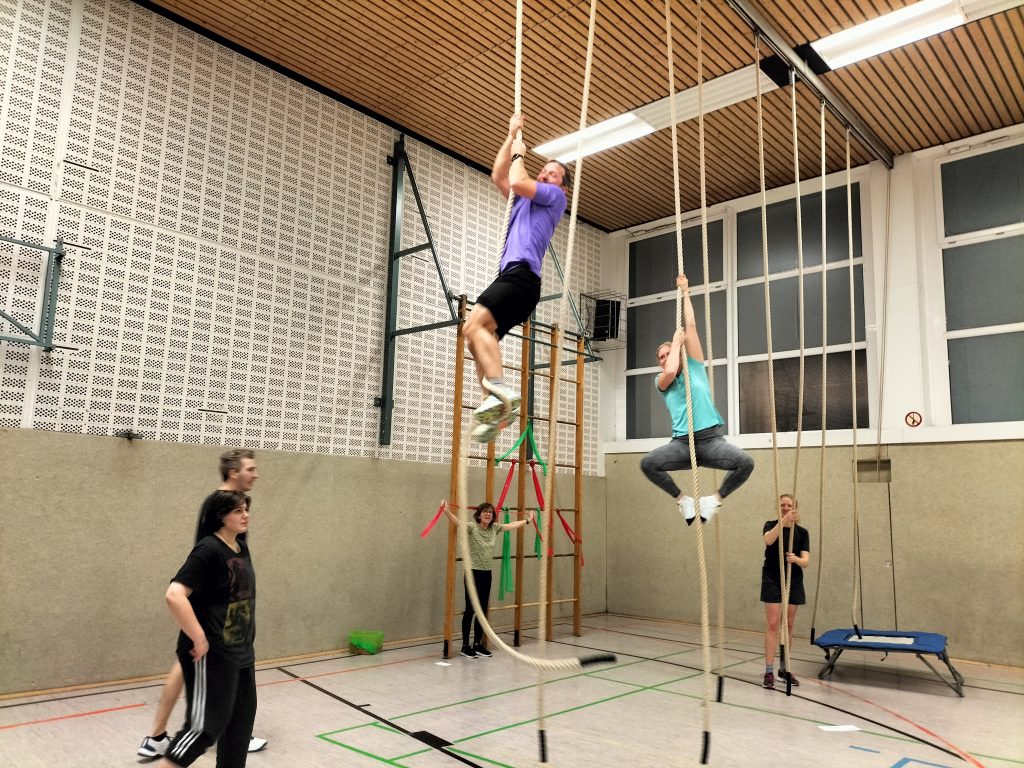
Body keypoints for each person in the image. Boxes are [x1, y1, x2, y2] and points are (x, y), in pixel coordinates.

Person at [138, 450, 267, 759]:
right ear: (234, 473)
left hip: (229, 640)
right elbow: (183, 586)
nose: (255, 474)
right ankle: (161, 735)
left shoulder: (237, 534)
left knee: (195, 679)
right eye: (250, 469)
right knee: (199, 712)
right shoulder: (215, 523)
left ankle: (159, 735)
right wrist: (198, 632)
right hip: (209, 625)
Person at [464, 113, 571, 442]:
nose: (545, 175)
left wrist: (521, 156)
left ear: (560, 185)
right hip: (514, 278)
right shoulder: (522, 202)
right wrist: (511, 137)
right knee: (479, 339)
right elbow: (500, 175)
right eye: (544, 170)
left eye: (551, 174)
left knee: (472, 326)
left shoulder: (555, 198)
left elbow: (521, 179)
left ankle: (499, 394)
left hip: (522, 276)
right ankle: (492, 403)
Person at [153, 490, 258, 768]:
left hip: (241, 655)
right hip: (212, 655)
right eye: (238, 510)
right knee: (201, 731)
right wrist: (198, 637)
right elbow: (174, 595)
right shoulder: (208, 550)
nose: (245, 514)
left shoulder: (239, 547)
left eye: (245, 508)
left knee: (238, 731)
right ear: (221, 517)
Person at [639, 274, 754, 524]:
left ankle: (713, 501)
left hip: (711, 441)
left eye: (668, 353)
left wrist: (686, 292)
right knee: (648, 463)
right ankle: (684, 501)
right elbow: (669, 371)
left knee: (746, 463)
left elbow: (690, 327)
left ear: (680, 353)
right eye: (660, 356)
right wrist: (675, 342)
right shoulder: (661, 382)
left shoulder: (695, 366)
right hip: (681, 445)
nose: (664, 358)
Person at [446, 502, 534, 658]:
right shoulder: (472, 528)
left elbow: (511, 525)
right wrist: (446, 511)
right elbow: (458, 523)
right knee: (471, 610)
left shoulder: (494, 528)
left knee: (483, 610)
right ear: (479, 514)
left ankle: (478, 644)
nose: (488, 514)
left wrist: (527, 520)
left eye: (491, 513)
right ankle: (465, 646)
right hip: (473, 573)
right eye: (485, 512)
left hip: (487, 573)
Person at [760, 494, 810, 689]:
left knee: (788, 625)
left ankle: (784, 668)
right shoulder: (771, 525)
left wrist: (796, 560)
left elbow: (806, 561)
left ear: (795, 508)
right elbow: (768, 540)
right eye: (782, 505)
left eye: (789, 505)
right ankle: (769, 671)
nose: (786, 507)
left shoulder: (802, 533)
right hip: (772, 577)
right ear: (778, 508)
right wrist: (783, 522)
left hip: (793, 579)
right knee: (773, 623)